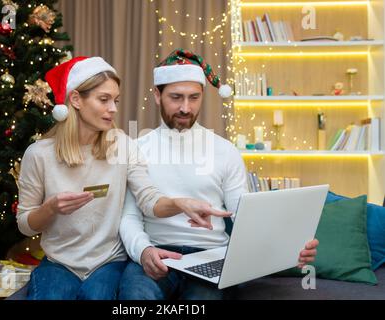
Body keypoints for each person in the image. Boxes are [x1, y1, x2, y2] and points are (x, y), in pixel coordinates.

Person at [16, 56, 231, 300]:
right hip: (58, 262)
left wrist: (180, 204)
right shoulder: (38, 154)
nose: (113, 109)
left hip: (108, 262)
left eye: (115, 100)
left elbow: (149, 200)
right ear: (76, 100)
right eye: (104, 99)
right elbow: (25, 224)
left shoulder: (124, 147)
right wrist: (50, 208)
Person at [118, 49, 319, 300]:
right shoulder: (137, 149)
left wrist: (291, 250)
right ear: (157, 95)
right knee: (135, 298)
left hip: (211, 254)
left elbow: (246, 218)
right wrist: (144, 250)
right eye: (176, 97)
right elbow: (128, 216)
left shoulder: (224, 151)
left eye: (194, 97)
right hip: (158, 252)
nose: (185, 108)